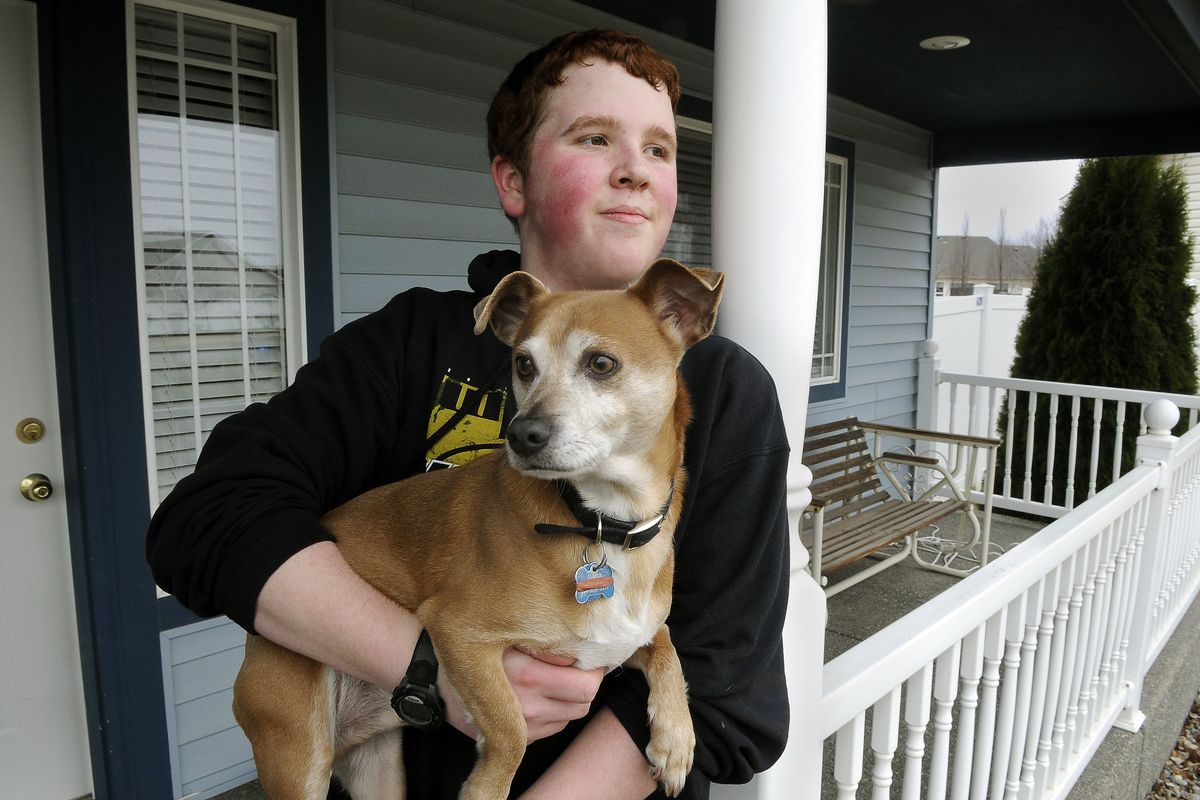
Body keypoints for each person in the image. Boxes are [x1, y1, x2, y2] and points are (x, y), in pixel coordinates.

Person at [147, 29, 790, 799]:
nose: (635, 169)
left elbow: (728, 688)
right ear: (513, 182)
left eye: (659, 149)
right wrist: (423, 665)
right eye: (595, 138)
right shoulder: (408, 341)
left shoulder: (725, 390)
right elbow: (207, 518)